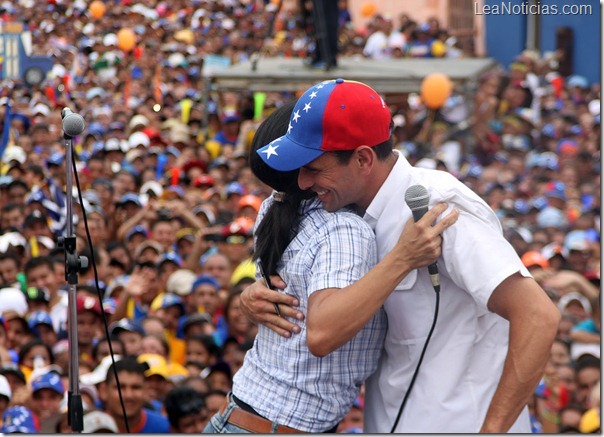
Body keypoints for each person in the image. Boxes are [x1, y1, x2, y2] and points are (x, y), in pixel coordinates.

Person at [246, 78, 561, 433]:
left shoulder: (435, 206)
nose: (302, 182)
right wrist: (253, 294)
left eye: (314, 169)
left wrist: (492, 431)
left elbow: (538, 315)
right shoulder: (345, 214)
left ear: (363, 158)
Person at [203, 101, 450, 433]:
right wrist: (402, 259)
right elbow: (320, 336)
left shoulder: (272, 206)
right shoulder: (342, 228)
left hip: (246, 415)